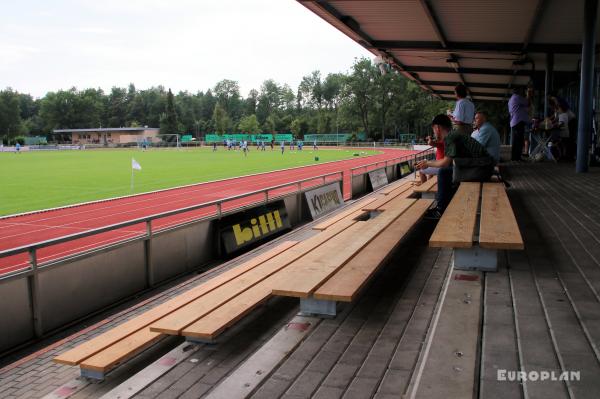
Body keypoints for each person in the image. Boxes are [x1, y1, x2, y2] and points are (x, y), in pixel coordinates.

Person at [416, 114, 493, 217]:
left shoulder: (450, 137)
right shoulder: (453, 135)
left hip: (482, 169)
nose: (434, 132)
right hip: (483, 167)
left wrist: (427, 163)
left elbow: (445, 162)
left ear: (437, 128)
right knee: (448, 171)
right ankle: (446, 203)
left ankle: (440, 210)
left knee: (443, 172)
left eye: (433, 129)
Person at [508, 87, 530, 161]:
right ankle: (517, 158)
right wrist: (528, 95)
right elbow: (527, 102)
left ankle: (514, 157)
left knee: (515, 141)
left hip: (514, 122)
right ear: (519, 92)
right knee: (519, 141)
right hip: (518, 121)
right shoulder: (517, 97)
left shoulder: (511, 99)